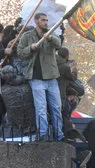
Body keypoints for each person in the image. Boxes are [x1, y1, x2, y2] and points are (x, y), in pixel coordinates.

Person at [17, 13, 64, 141]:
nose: (45, 22)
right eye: (43, 20)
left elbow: (59, 44)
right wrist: (31, 48)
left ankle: (58, 135)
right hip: (36, 78)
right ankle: (43, 134)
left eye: (47, 20)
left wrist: (49, 39)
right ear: (36, 20)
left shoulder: (51, 33)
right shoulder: (28, 36)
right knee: (41, 109)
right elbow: (20, 53)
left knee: (56, 108)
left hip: (52, 77)